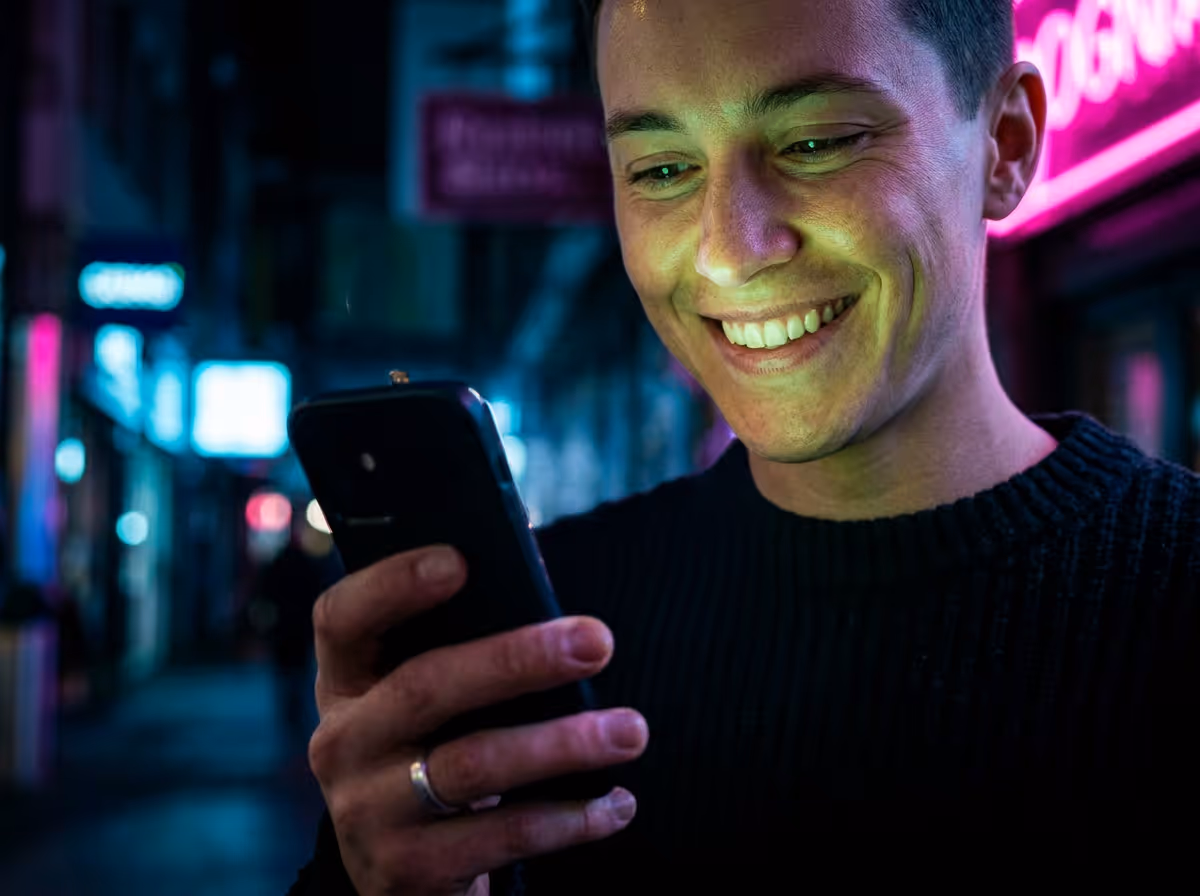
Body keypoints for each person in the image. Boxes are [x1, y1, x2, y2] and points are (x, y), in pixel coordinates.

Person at [288, 1, 1200, 893]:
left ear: (1005, 143)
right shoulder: (549, 633)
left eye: (816, 143)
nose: (729, 251)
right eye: (661, 169)